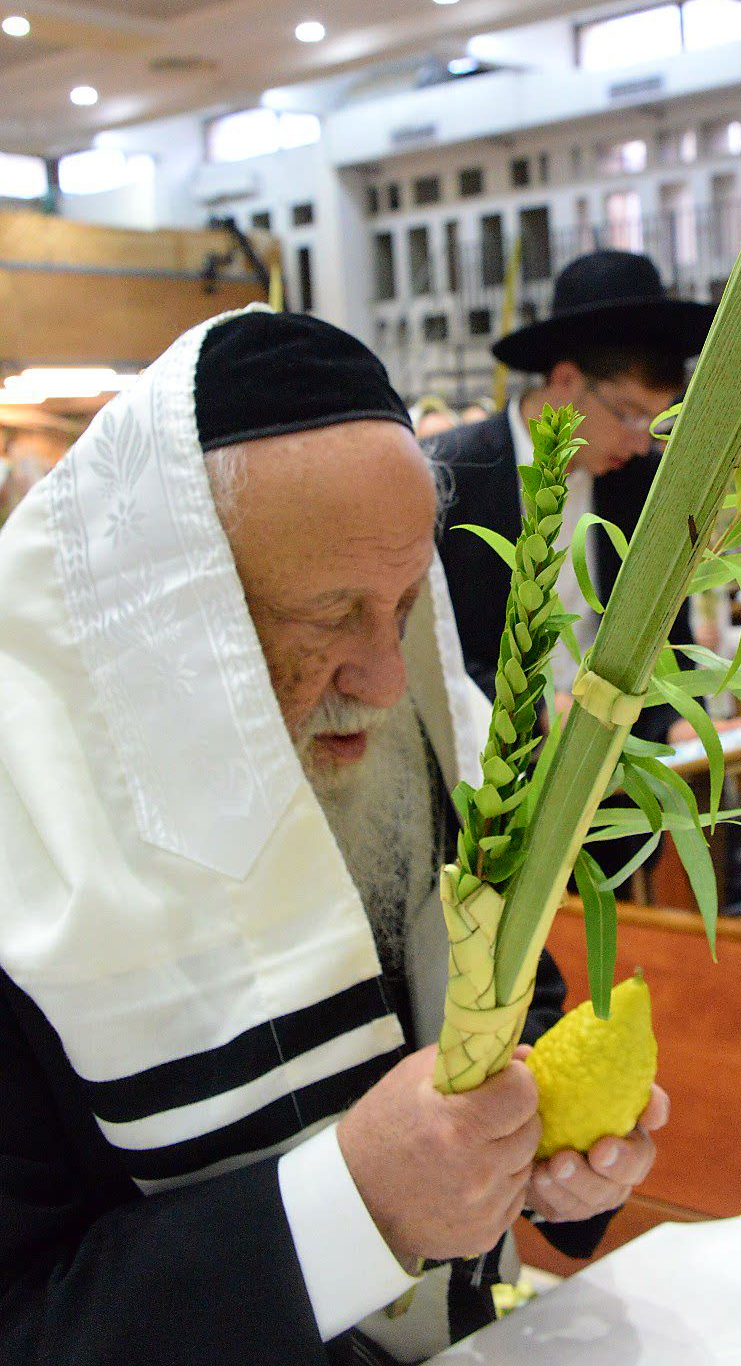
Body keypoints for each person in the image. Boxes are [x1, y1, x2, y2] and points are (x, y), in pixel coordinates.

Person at [0, 310, 667, 1365]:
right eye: (323, 620)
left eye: (404, 607)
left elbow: (509, 1007)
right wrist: (351, 1210)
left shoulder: (408, 739)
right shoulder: (22, 859)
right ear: (172, 623)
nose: (387, 680)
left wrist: (547, 1152)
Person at [431, 250, 714, 748]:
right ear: (564, 381)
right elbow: (433, 653)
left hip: (619, 766)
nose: (640, 441)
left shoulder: (642, 483)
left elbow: (669, 636)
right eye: (628, 414)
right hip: (490, 773)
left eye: (656, 420)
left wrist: (679, 720)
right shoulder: (451, 476)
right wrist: (532, 713)